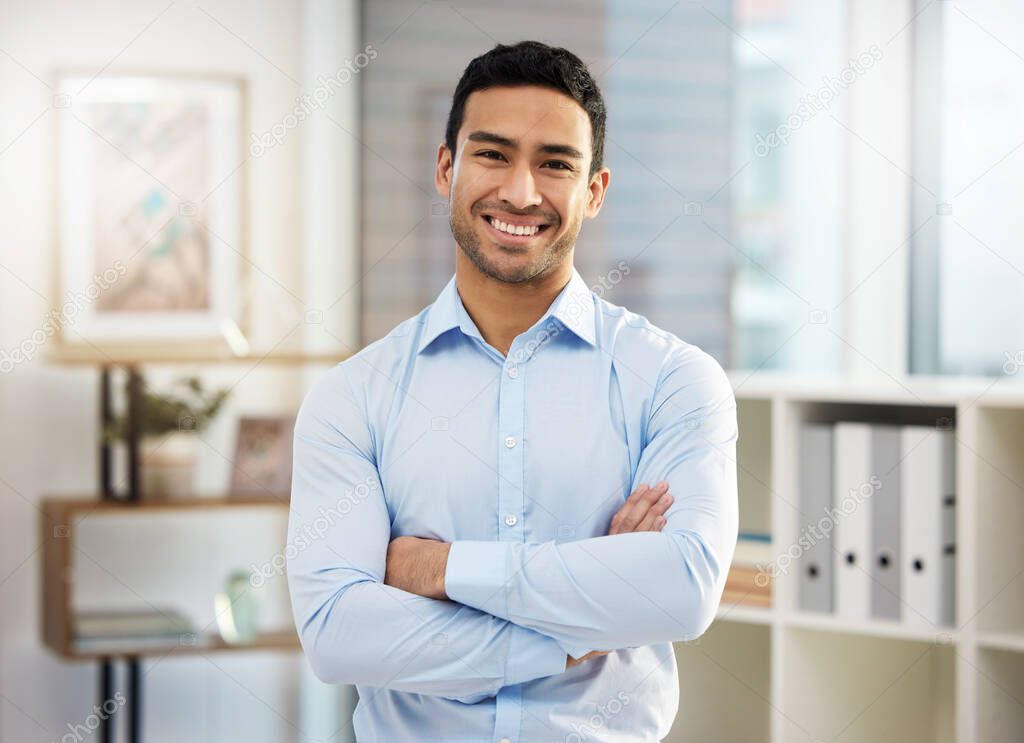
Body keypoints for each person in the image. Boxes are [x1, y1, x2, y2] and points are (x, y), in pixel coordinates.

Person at [287, 39, 738, 742]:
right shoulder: (354, 396)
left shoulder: (673, 380)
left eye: (555, 164)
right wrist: (573, 629)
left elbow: (680, 590)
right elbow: (339, 634)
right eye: (493, 154)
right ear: (447, 167)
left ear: (594, 190)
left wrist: (437, 568)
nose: (521, 192)